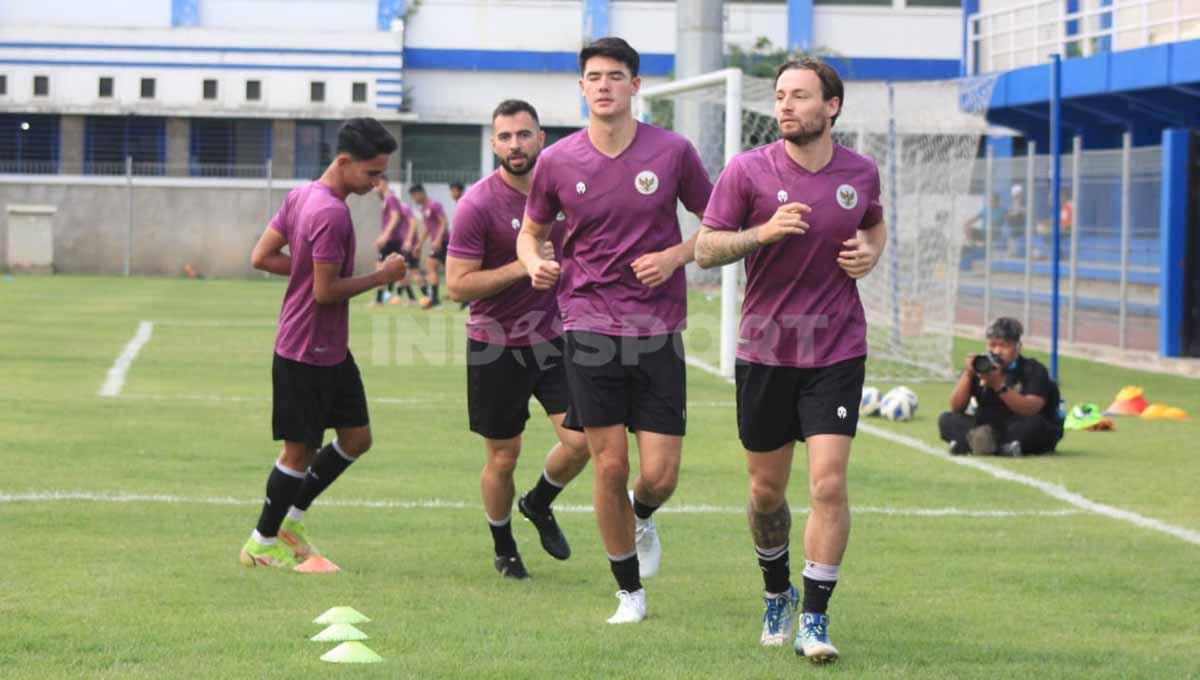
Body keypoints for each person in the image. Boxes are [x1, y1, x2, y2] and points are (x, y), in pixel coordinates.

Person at [695, 58, 887, 663]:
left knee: (828, 483)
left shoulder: (861, 171)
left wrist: (871, 252)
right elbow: (705, 248)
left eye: (799, 95)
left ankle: (815, 619)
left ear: (831, 106)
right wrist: (762, 233)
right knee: (766, 492)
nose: (784, 105)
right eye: (780, 95)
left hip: (836, 348)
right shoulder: (747, 171)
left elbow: (875, 226)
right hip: (766, 351)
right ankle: (777, 591)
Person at [516, 36, 712, 624]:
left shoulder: (673, 152)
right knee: (609, 464)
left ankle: (642, 514)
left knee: (660, 475)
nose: (604, 86)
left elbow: (718, 224)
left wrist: (675, 257)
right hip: (588, 324)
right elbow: (531, 233)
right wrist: (532, 262)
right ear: (581, 87)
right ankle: (629, 594)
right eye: (594, 77)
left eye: (616, 76)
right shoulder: (557, 161)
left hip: (658, 328)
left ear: (635, 86)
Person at [241, 118, 404, 569]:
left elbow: (262, 256)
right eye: (372, 173)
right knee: (299, 451)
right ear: (345, 161)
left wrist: (307, 268)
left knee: (356, 438)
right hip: (305, 350)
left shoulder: (301, 195)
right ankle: (261, 542)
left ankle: (290, 523)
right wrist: (382, 277)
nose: (377, 183)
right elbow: (324, 291)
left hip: (329, 348)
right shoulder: (331, 214)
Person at [446, 99, 591, 579]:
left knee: (582, 441)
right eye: (505, 137)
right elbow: (457, 286)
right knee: (503, 457)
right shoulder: (477, 204)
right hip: (495, 345)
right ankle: (504, 545)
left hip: (555, 339)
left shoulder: (565, 195)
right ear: (493, 144)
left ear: (541, 139)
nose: (515, 145)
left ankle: (539, 501)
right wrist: (524, 264)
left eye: (524, 134)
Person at [938, 317, 1063, 457]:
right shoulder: (981, 366)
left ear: (1018, 347)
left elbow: (1031, 408)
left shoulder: (1033, 369)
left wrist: (998, 385)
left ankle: (971, 444)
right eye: (992, 345)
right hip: (989, 427)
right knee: (946, 419)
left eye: (1004, 346)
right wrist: (968, 373)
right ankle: (1001, 447)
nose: (997, 351)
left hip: (1021, 423)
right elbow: (956, 408)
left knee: (1034, 425)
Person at [372, 175, 418, 305]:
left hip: (391, 240)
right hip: (394, 239)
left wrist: (385, 236)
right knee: (397, 270)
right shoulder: (388, 198)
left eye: (376, 183)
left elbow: (395, 217)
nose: (375, 186)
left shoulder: (390, 198)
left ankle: (379, 300)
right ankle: (412, 298)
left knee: (380, 268)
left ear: (383, 182)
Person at [410, 183, 448, 309]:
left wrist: (438, 239)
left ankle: (435, 299)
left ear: (420, 193)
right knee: (431, 266)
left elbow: (444, 222)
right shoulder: (424, 209)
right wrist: (419, 244)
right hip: (437, 244)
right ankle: (435, 299)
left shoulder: (434, 205)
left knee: (438, 268)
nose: (414, 199)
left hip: (444, 242)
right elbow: (428, 228)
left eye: (414, 196)